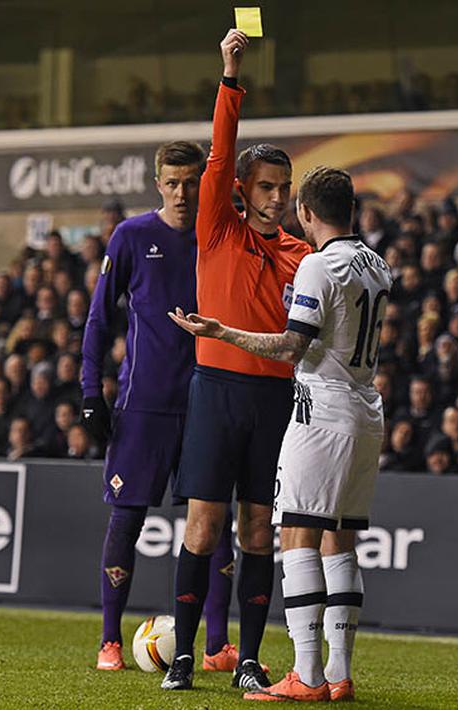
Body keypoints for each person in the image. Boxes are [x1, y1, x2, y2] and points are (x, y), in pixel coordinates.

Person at [171, 164, 391, 702]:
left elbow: (291, 347)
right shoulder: (378, 265)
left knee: (295, 537)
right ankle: (338, 673)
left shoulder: (318, 263)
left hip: (322, 410)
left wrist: (222, 331)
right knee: (341, 541)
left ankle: (308, 676)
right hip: (367, 410)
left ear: (307, 213)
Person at [160, 28, 312, 693]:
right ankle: (185, 655)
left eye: (285, 187)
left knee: (257, 529)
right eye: (268, 186)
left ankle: (248, 660)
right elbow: (220, 153)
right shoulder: (216, 227)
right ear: (244, 191)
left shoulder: (301, 257)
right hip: (215, 392)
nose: (278, 196)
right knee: (203, 525)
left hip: (274, 400)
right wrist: (229, 75)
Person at [79, 140, 239, 672]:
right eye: (172, 182)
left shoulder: (218, 235)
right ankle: (109, 641)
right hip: (142, 403)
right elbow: (100, 320)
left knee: (213, 523)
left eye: (191, 182)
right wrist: (88, 391)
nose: (181, 193)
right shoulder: (131, 237)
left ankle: (216, 646)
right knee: (126, 519)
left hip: (207, 400)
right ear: (157, 183)